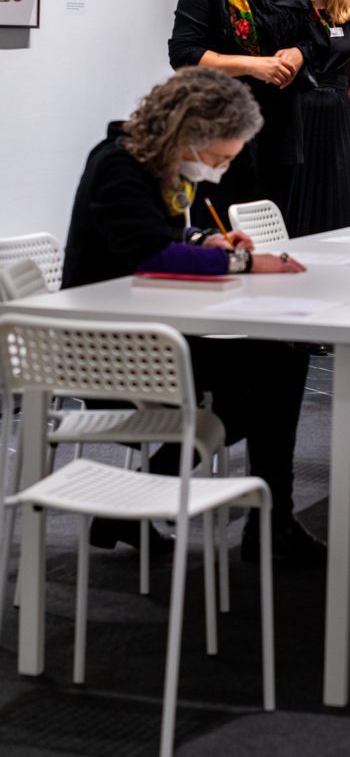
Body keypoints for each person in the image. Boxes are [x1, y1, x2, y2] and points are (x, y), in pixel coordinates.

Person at [62, 66, 325, 566]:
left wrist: (205, 239)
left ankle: (138, 504)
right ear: (192, 135)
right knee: (273, 372)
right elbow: (148, 253)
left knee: (278, 363)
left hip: (147, 332)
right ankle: (267, 526)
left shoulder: (152, 166)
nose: (222, 169)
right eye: (222, 156)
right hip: (105, 350)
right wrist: (245, 261)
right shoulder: (118, 166)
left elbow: (159, 237)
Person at [168, 0, 329, 227]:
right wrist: (256, 66)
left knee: (270, 230)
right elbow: (184, 54)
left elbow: (315, 38)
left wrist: (297, 54)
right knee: (221, 231)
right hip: (222, 130)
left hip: (281, 130)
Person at [286, 0, 350, 237]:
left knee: (339, 196)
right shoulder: (283, 12)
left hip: (337, 119)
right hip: (294, 116)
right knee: (296, 198)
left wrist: (331, 101)